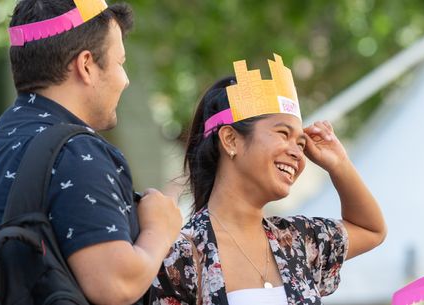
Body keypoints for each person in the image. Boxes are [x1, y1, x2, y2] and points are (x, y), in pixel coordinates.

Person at [0, 0, 182, 304]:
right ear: (86, 65)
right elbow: (115, 284)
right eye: (120, 62)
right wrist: (160, 228)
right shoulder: (77, 152)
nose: (125, 79)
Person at [149, 54, 387, 305]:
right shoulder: (180, 254)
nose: (297, 152)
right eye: (283, 133)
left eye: (301, 143)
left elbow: (371, 229)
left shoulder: (297, 240)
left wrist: (339, 164)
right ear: (230, 140)